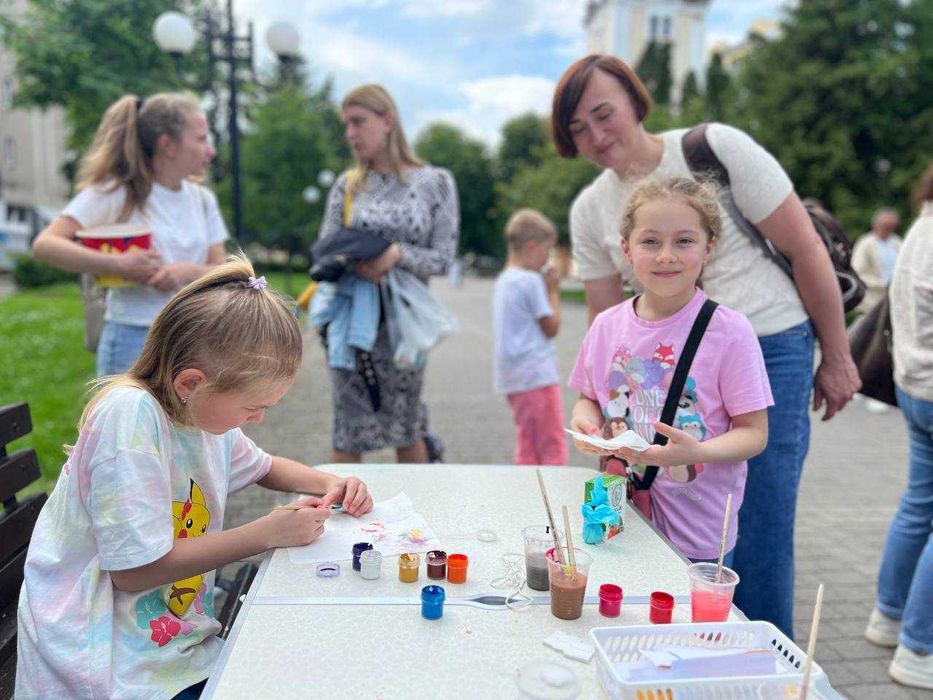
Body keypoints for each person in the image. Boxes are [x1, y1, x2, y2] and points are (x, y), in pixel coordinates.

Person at [551, 54, 860, 638]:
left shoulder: (713, 147)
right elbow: (606, 326)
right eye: (577, 130)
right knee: (651, 522)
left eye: (602, 113)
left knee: (760, 525)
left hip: (769, 342)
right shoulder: (590, 207)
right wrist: (609, 424)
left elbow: (805, 247)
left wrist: (838, 356)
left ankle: (762, 658)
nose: (595, 135)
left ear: (635, 101)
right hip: (661, 377)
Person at [15, 256, 373, 699]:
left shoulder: (201, 417)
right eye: (252, 407)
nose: (258, 419)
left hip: (163, 639)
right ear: (190, 382)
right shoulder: (130, 419)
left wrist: (327, 483)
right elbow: (134, 572)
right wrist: (266, 533)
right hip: (100, 658)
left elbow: (264, 467)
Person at [568, 178, 772, 564]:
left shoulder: (729, 332)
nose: (666, 255)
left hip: (695, 533)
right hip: (616, 516)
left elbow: (754, 433)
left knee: (686, 625)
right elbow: (588, 400)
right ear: (626, 249)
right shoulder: (606, 326)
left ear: (708, 248)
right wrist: (586, 425)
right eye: (650, 241)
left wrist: (699, 451)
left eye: (683, 241)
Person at [31, 92, 228, 377]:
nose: (210, 150)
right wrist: (117, 266)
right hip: (132, 339)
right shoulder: (118, 192)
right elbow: (45, 245)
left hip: (191, 338)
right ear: (167, 145)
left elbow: (220, 269)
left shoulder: (202, 199)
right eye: (200, 139)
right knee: (128, 423)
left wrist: (185, 273)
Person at [318, 84, 459, 464]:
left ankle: (416, 520)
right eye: (346, 124)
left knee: (406, 425)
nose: (350, 133)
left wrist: (397, 254)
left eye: (358, 122)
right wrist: (351, 258)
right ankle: (338, 519)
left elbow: (445, 257)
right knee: (349, 431)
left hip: (403, 329)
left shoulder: (435, 182)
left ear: (387, 120)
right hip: (351, 326)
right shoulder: (347, 186)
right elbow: (324, 249)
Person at [864, 164, 933, 690]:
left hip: (914, 385)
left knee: (918, 506)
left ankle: (888, 618)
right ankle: (919, 647)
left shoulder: (921, 226)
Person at [493, 209, 567, 466]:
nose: (548, 259)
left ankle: (526, 492)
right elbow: (551, 327)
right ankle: (553, 498)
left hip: (513, 377)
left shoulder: (505, 279)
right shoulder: (530, 281)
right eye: (548, 251)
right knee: (552, 443)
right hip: (536, 375)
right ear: (533, 247)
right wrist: (553, 291)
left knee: (527, 443)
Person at [852, 207, 903, 316]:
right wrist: (883, 284)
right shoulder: (865, 243)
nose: (889, 230)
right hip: (872, 303)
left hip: (895, 301)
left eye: (892, 227)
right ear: (876, 225)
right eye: (886, 226)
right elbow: (858, 273)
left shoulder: (897, 242)